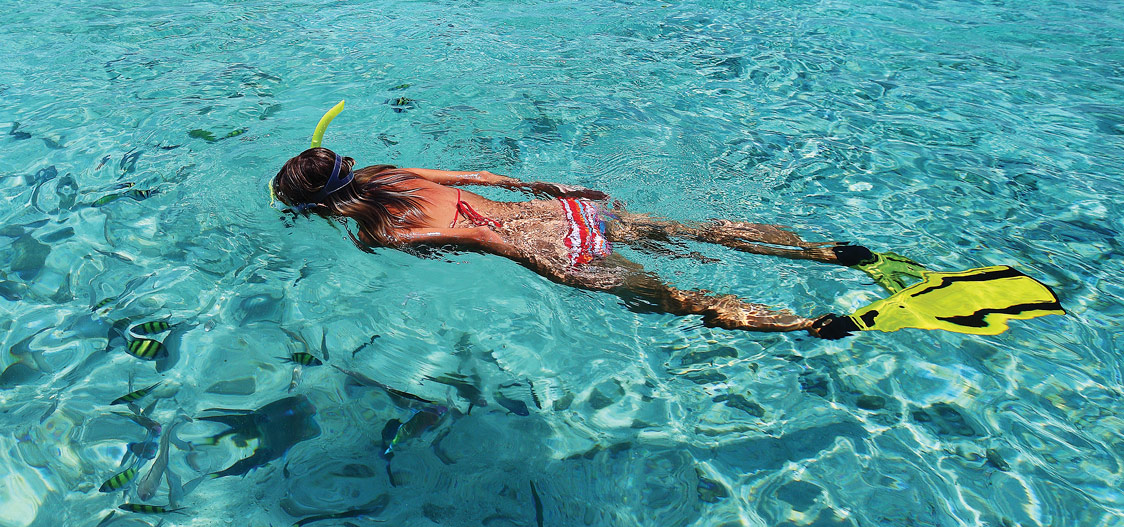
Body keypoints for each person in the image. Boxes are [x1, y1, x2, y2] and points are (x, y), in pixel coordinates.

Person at [270, 147, 909, 339]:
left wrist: (557, 269)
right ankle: (827, 253)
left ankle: (807, 326)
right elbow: (486, 182)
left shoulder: (378, 231)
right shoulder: (393, 174)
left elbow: (479, 236)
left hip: (552, 250)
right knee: (701, 231)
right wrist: (552, 190)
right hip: (561, 211)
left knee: (680, 300)